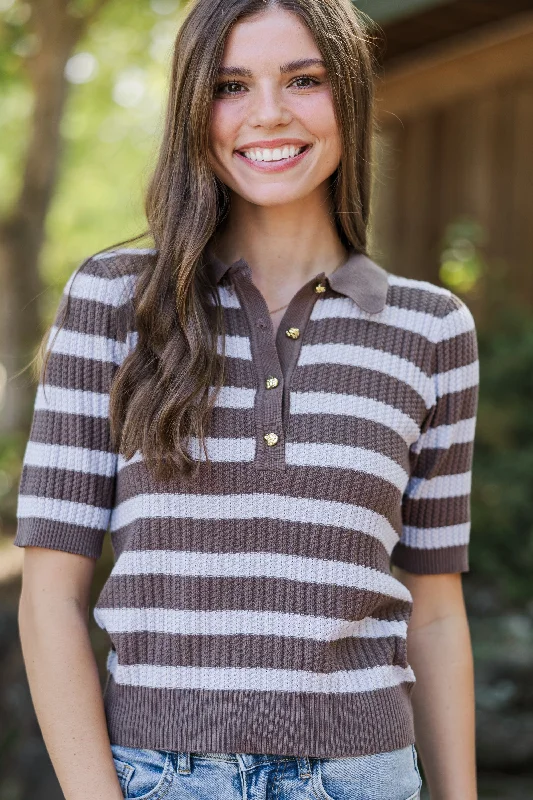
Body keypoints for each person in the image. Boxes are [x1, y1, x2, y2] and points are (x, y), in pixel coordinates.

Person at [14, 0, 479, 798]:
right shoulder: (113, 302)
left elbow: (434, 610)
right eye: (231, 84)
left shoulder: (430, 329)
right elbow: (50, 594)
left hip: (364, 779)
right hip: (159, 778)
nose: (268, 113)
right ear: (193, 107)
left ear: (351, 97)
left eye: (304, 79)